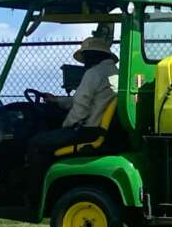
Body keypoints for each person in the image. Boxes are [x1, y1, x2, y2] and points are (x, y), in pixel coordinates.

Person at [26, 35, 119, 173]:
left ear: (93, 55)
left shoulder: (93, 73)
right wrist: (57, 100)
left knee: (36, 143)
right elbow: (87, 99)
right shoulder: (116, 73)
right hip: (105, 132)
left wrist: (66, 126)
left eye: (85, 56)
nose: (84, 61)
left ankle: (34, 190)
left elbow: (80, 108)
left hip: (89, 132)